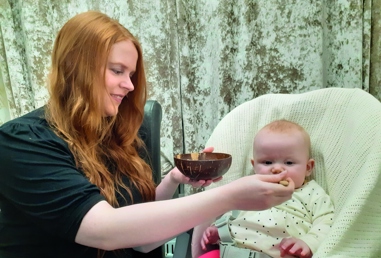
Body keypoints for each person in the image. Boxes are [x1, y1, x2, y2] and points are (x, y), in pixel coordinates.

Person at [0, 11, 295, 258]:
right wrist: (229, 196)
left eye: (131, 74)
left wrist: (172, 181)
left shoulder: (118, 134)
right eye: (117, 71)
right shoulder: (21, 142)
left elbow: (141, 239)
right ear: (76, 67)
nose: (129, 86)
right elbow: (105, 231)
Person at [196, 120, 335, 258]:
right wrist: (218, 229)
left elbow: (327, 222)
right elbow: (233, 210)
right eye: (267, 162)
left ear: (308, 168)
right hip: (232, 250)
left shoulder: (312, 193)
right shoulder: (251, 187)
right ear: (254, 165)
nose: (277, 169)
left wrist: (308, 242)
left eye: (289, 162)